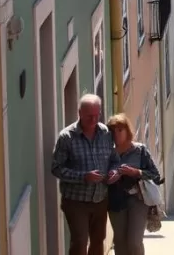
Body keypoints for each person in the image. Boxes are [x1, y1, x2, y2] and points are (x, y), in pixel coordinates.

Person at [52, 94, 114, 255]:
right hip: (76, 201)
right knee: (79, 242)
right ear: (80, 113)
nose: (93, 120)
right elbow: (56, 168)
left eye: (96, 115)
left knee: (98, 240)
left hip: (100, 199)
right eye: (89, 116)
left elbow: (113, 159)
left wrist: (113, 172)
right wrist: (83, 176)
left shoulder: (105, 133)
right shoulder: (67, 137)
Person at [105, 113, 163, 255]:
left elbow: (155, 175)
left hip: (138, 199)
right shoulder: (107, 153)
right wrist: (109, 177)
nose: (116, 134)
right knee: (120, 243)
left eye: (120, 130)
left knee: (134, 242)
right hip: (115, 201)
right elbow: (100, 176)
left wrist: (136, 172)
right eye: (113, 131)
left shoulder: (139, 150)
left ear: (127, 131)